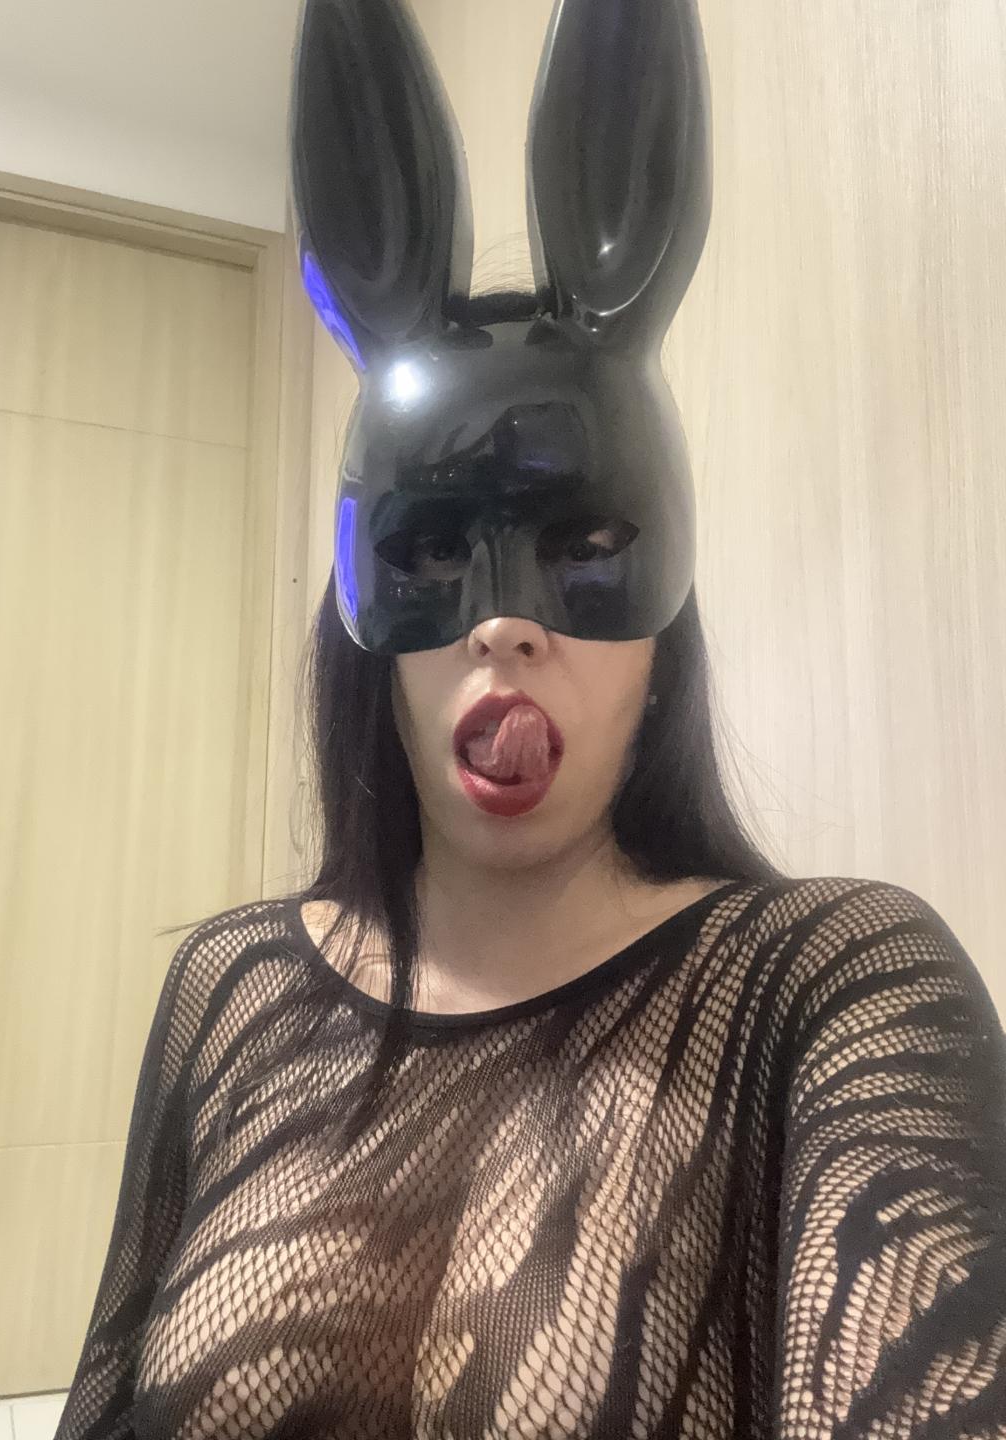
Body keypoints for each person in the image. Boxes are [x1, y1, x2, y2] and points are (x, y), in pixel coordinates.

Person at [54, 0, 1006, 1435]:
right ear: (362, 613)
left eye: (585, 544)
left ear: (667, 622)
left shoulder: (831, 992)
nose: (506, 626)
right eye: (435, 550)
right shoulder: (227, 992)